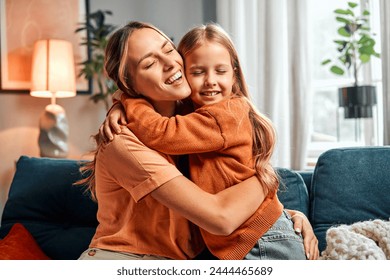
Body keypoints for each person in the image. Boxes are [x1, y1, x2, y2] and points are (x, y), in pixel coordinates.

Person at [81, 21, 319, 260]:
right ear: (129, 83)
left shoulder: (192, 123)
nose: (168, 64)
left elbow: (223, 184)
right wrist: (125, 101)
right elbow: (221, 218)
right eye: (150, 63)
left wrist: (287, 218)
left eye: (167, 49)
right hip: (123, 259)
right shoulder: (123, 139)